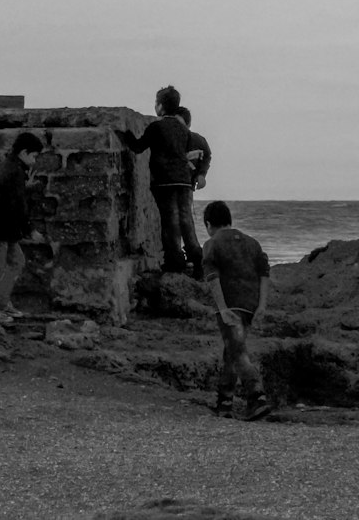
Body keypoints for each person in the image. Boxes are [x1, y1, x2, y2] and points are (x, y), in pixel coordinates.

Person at [116, 86, 203, 278]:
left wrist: (124, 134)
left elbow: (138, 147)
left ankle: (175, 261)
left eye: (156, 103)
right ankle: (197, 259)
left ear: (161, 106)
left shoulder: (156, 127)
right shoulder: (183, 129)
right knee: (186, 221)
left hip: (165, 180)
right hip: (184, 181)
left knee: (170, 221)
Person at [202, 199, 273, 421]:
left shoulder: (212, 244)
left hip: (230, 305)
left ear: (208, 224)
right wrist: (261, 305)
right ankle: (225, 402)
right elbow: (264, 275)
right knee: (232, 351)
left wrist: (222, 308)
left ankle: (257, 396)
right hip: (250, 305)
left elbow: (213, 279)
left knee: (238, 353)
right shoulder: (252, 243)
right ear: (229, 220)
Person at [0, 132, 45, 325]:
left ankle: (1, 303)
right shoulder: (13, 171)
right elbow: (16, 205)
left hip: (4, 227)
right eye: (34, 156)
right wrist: (30, 229)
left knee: (16, 262)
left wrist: (26, 188)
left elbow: (13, 196)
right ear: (24, 152)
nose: (34, 160)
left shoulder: (12, 167)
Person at [177, 105, 212, 192]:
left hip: (187, 187)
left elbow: (206, 156)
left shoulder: (199, 141)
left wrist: (201, 174)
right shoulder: (162, 140)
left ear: (188, 125)